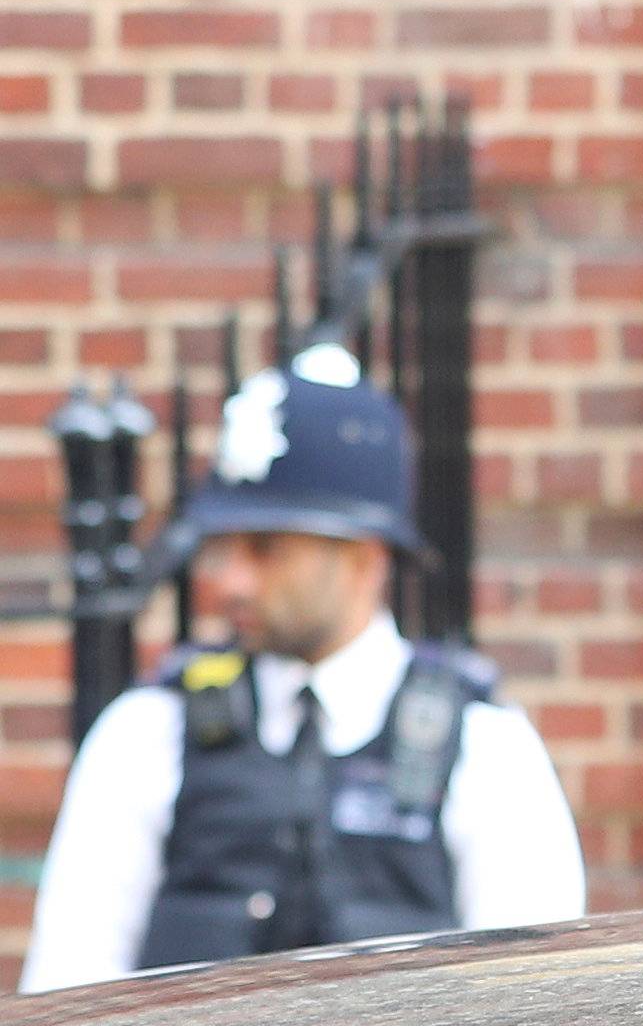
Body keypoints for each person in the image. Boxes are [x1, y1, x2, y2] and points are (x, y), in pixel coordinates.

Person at [20, 354, 585, 993]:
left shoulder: (486, 746)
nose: (230, 580)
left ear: (363, 555)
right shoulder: (146, 731)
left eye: (268, 548)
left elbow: (534, 1016)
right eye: (224, 548)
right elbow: (67, 998)